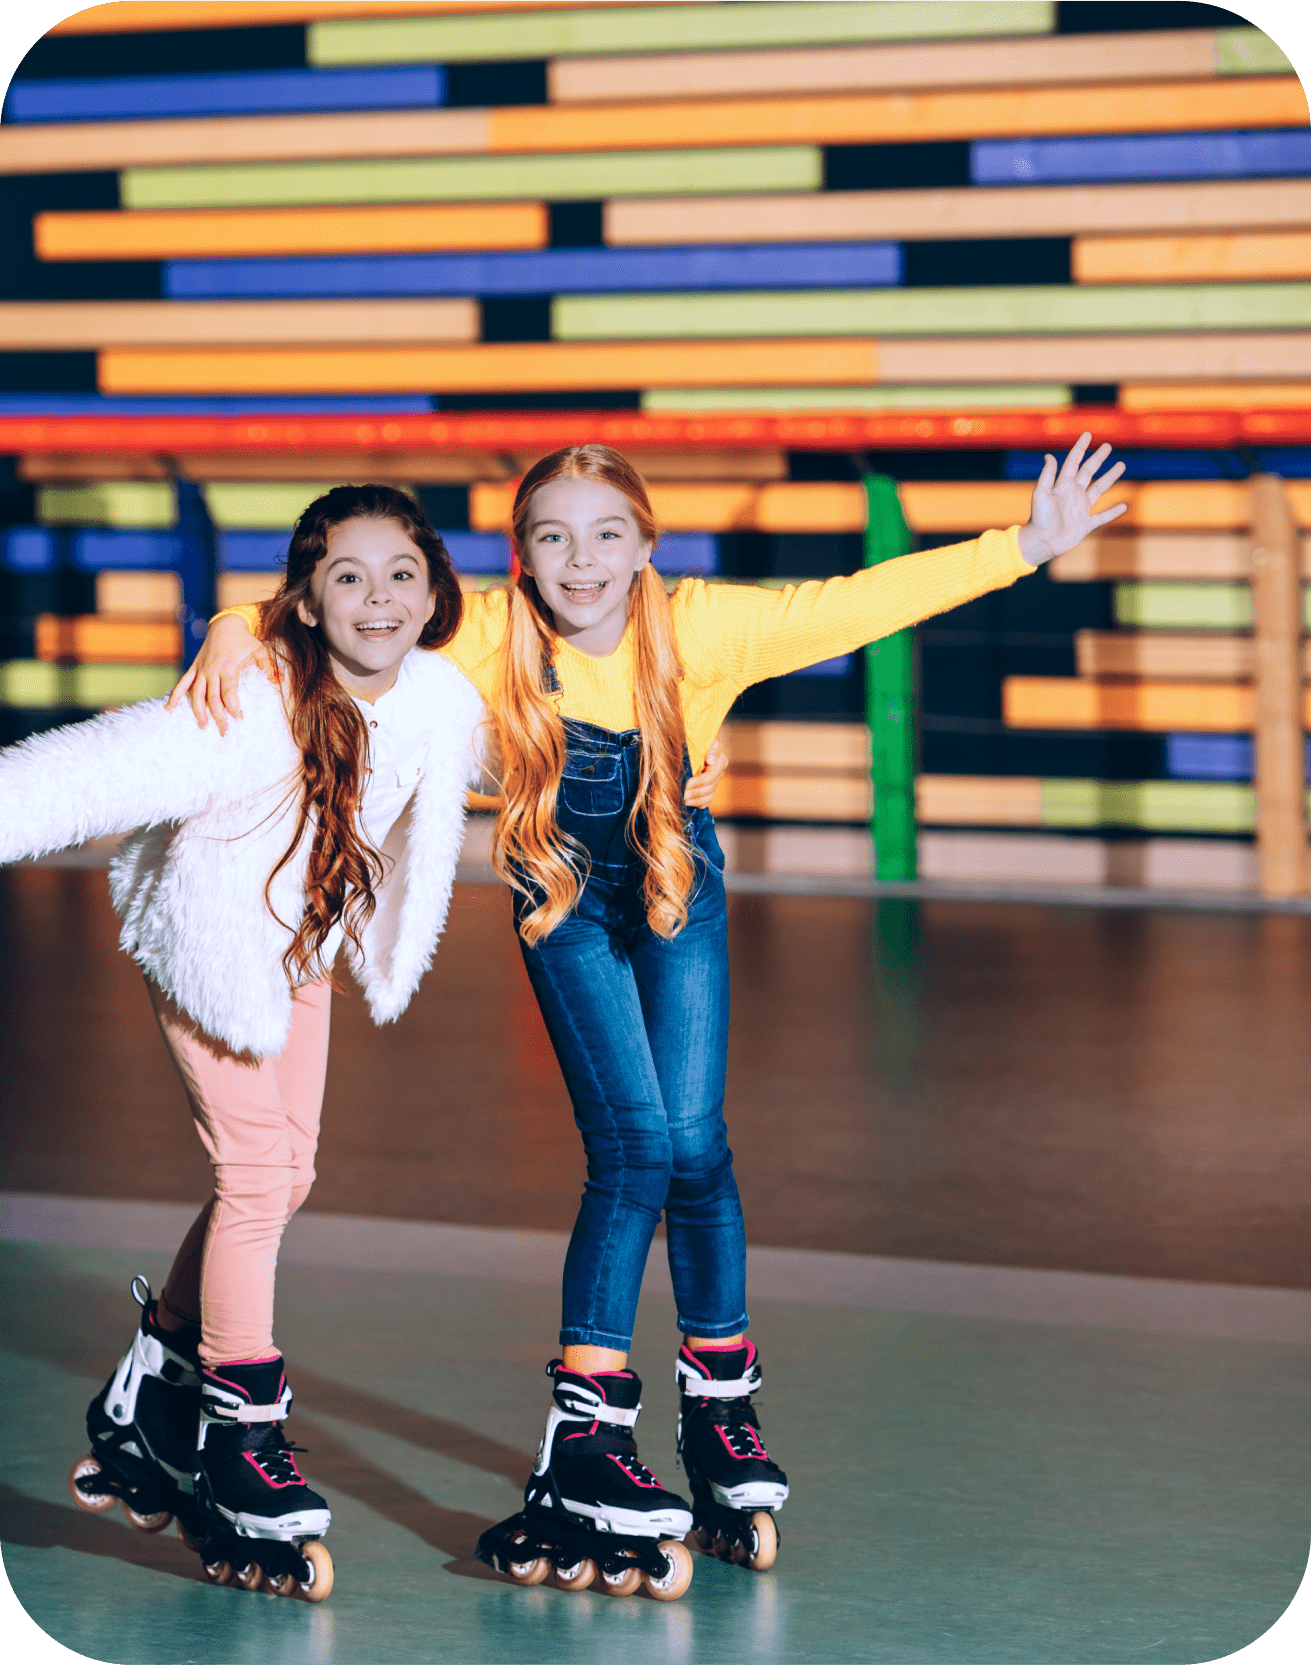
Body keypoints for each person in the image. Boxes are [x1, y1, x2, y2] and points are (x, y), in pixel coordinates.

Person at [176, 435, 1127, 1595]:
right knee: (632, 1148)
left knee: (698, 1150)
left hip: (680, 883)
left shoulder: (706, 627)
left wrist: (1024, 546)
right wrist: (234, 630)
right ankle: (583, 1439)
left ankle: (721, 1418)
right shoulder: (478, 631)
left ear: (647, 547)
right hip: (558, 895)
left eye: (607, 536)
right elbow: (326, 603)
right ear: (518, 558)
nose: (582, 563)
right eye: (552, 539)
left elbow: (857, 604)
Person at [0, 484, 488, 1601]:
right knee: (259, 1176)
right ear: (305, 602)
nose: (379, 597)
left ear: (434, 592)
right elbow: (73, 778)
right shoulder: (246, 697)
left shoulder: (438, 694)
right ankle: (240, 1434)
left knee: (287, 1173)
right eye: (349, 577)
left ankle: (152, 1383)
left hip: (301, 957)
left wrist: (672, 776)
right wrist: (233, 626)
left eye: (402, 574)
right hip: (213, 954)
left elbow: (536, 761)